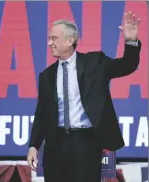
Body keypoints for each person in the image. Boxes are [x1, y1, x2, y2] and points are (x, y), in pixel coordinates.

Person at [27, 11, 141, 182]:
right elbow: (42, 113)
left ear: (70, 40)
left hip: (86, 143)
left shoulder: (94, 63)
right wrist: (33, 145)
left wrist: (131, 42)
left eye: (54, 38)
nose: (50, 43)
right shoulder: (47, 75)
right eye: (50, 38)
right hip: (55, 145)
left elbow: (127, 66)